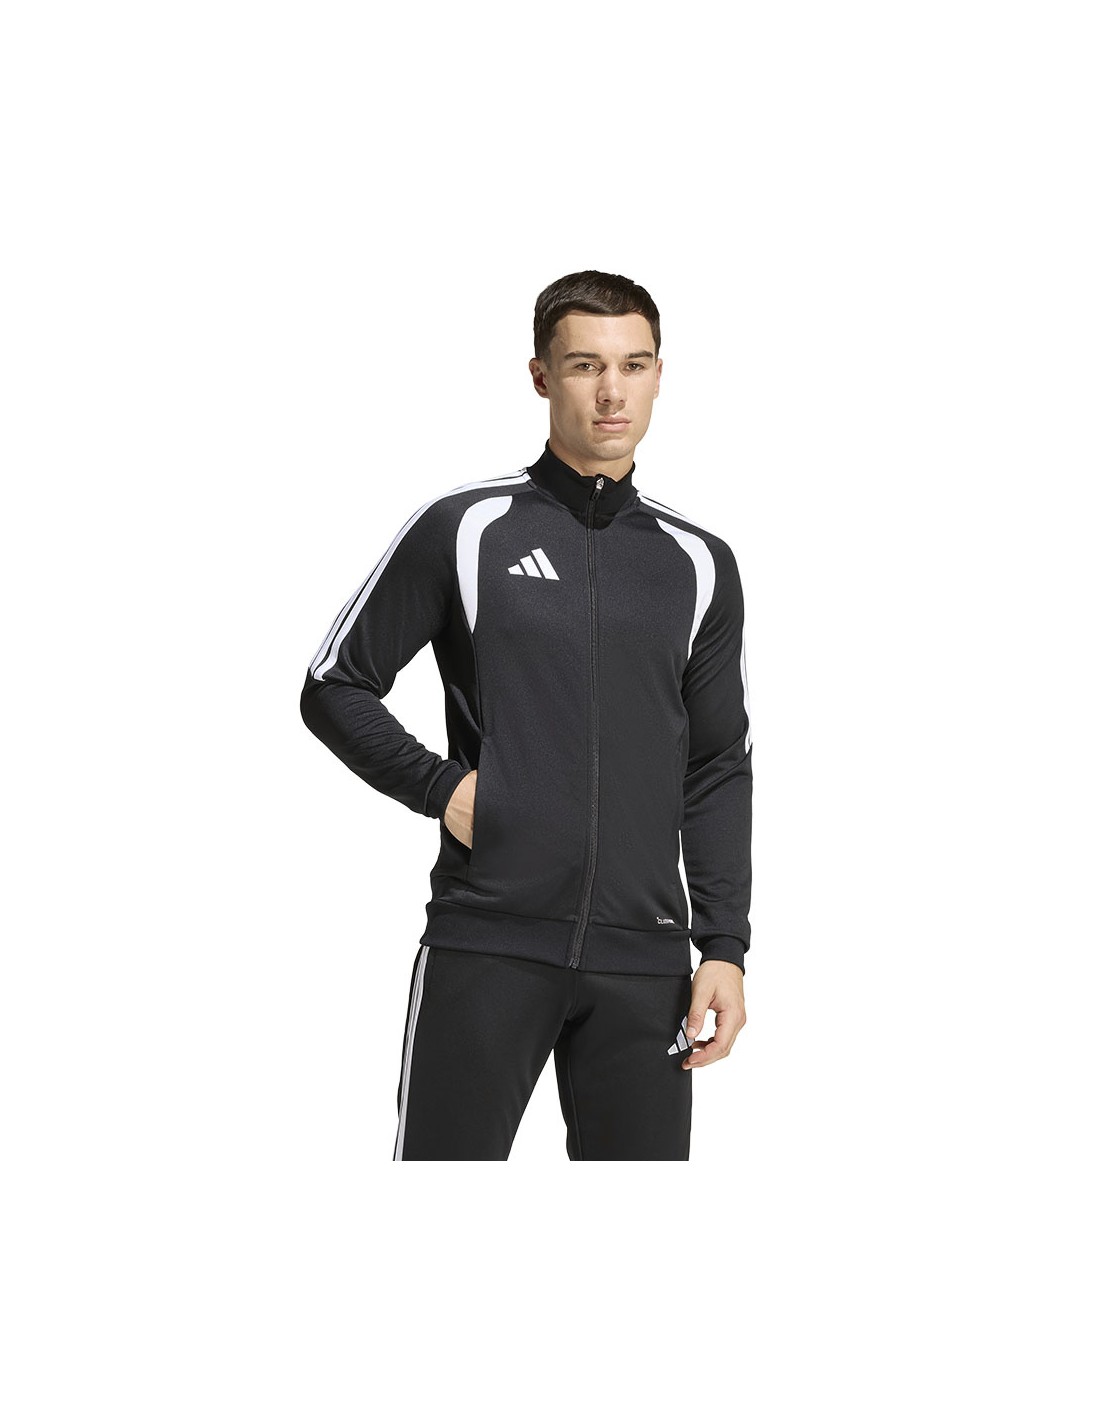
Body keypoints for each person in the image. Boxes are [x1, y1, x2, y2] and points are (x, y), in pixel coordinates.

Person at [300, 269, 753, 1160]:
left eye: (634, 365)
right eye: (585, 365)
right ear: (542, 376)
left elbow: (716, 765)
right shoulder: (468, 528)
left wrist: (724, 946)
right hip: (489, 943)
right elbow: (334, 684)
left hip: (645, 962)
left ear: (660, 374)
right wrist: (445, 791)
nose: (612, 391)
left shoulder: (698, 561)